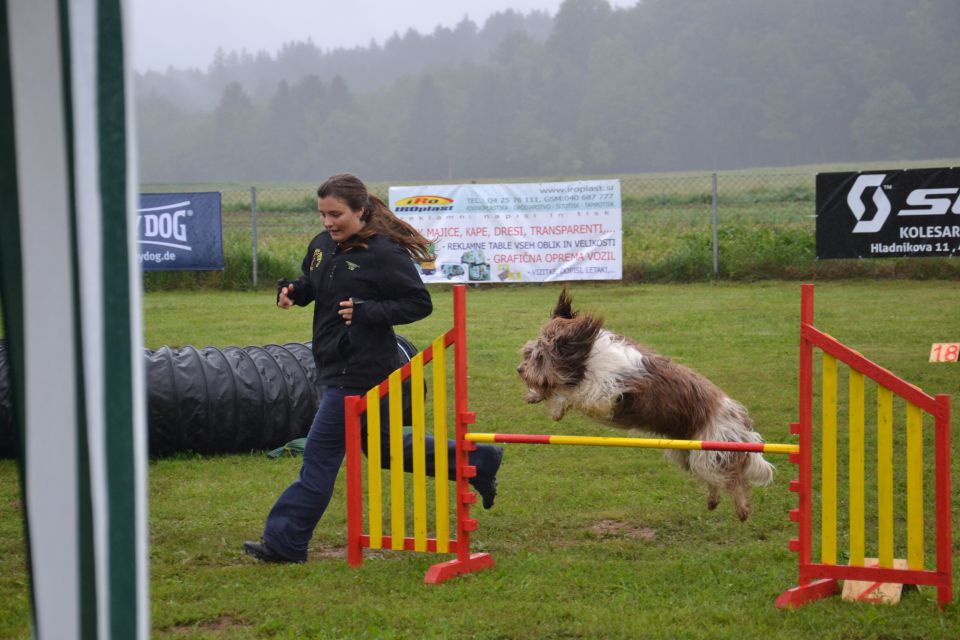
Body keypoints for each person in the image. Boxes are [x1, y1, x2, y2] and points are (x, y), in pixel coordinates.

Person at [244, 173, 504, 564]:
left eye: (337, 215)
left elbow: (419, 303)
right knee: (384, 450)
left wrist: (369, 312)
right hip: (332, 366)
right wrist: (295, 291)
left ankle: (285, 542)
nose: (328, 223)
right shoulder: (321, 246)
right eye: (323, 215)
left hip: (362, 373)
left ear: (361, 211)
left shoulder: (383, 254)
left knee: (318, 457)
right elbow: (315, 282)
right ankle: (477, 461)